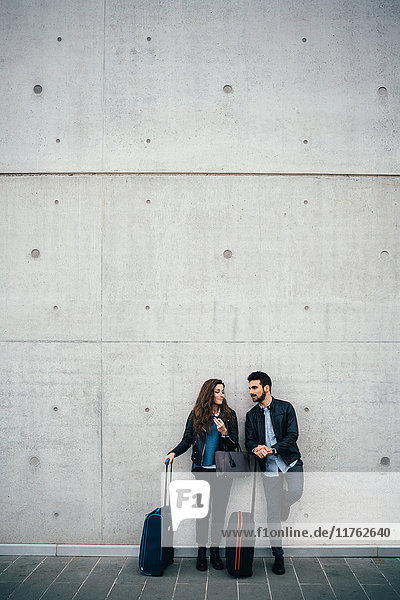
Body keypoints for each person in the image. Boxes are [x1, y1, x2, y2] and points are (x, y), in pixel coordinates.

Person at [164, 378, 238, 571]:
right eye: (218, 391)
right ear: (208, 393)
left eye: (223, 391)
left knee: (219, 513)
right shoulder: (196, 415)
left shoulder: (230, 416)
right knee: (202, 514)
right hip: (201, 472)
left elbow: (235, 445)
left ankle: (215, 551)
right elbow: (187, 440)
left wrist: (224, 432)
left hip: (222, 474)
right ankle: (201, 552)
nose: (222, 394)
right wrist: (173, 452)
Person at [245, 371, 303, 575]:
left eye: (254, 387)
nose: (251, 391)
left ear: (266, 388)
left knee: (296, 492)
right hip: (268, 468)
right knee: (272, 514)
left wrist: (273, 448)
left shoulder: (285, 408)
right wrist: (256, 449)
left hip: (289, 461)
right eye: (250, 387)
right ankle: (278, 556)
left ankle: (284, 502)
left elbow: (293, 435)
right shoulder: (251, 415)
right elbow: (249, 441)